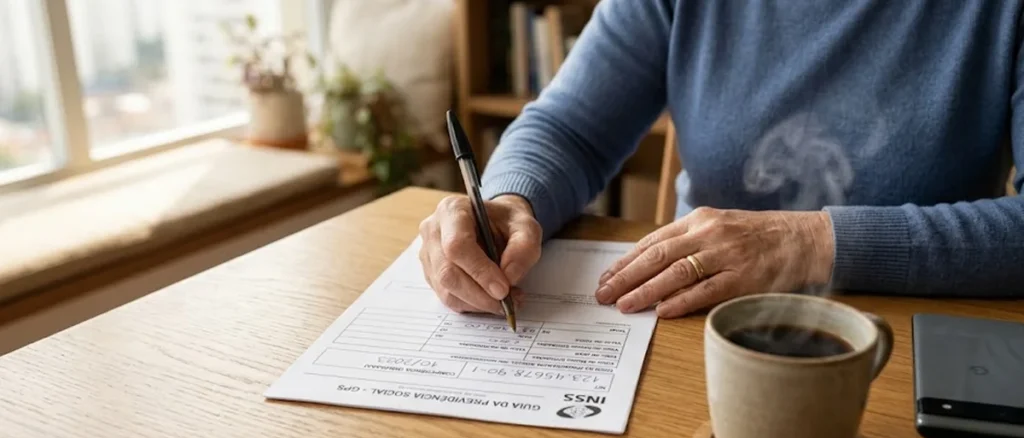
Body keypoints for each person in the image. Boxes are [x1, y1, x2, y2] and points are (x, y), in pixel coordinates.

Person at [418, 0, 1024, 319]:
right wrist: (510, 202)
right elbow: (569, 128)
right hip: (689, 326)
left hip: (914, 341)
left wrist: (807, 243)